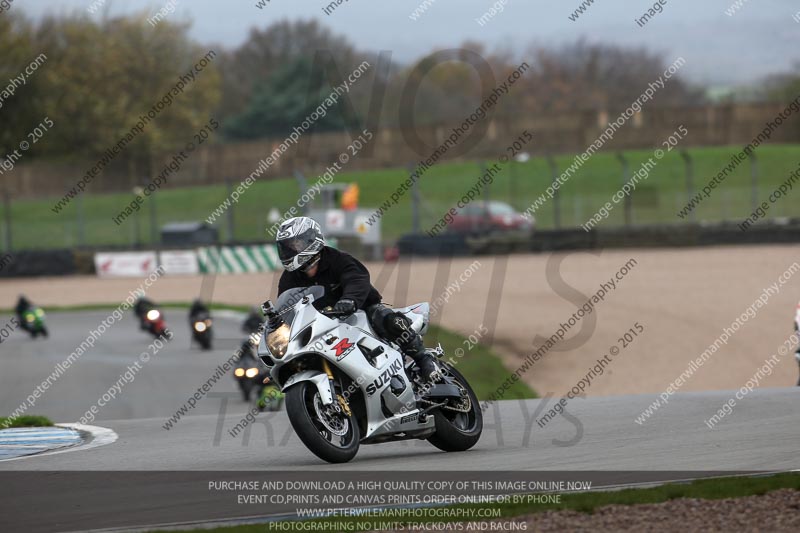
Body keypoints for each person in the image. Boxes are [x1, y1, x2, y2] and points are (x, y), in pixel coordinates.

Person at [275, 216, 439, 382]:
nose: (289, 251)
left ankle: (424, 359)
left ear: (311, 239)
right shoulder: (289, 279)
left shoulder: (338, 259)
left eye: (295, 244)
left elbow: (356, 279)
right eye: (286, 247)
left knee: (386, 318)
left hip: (359, 311)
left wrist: (350, 300)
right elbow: (286, 306)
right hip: (321, 326)